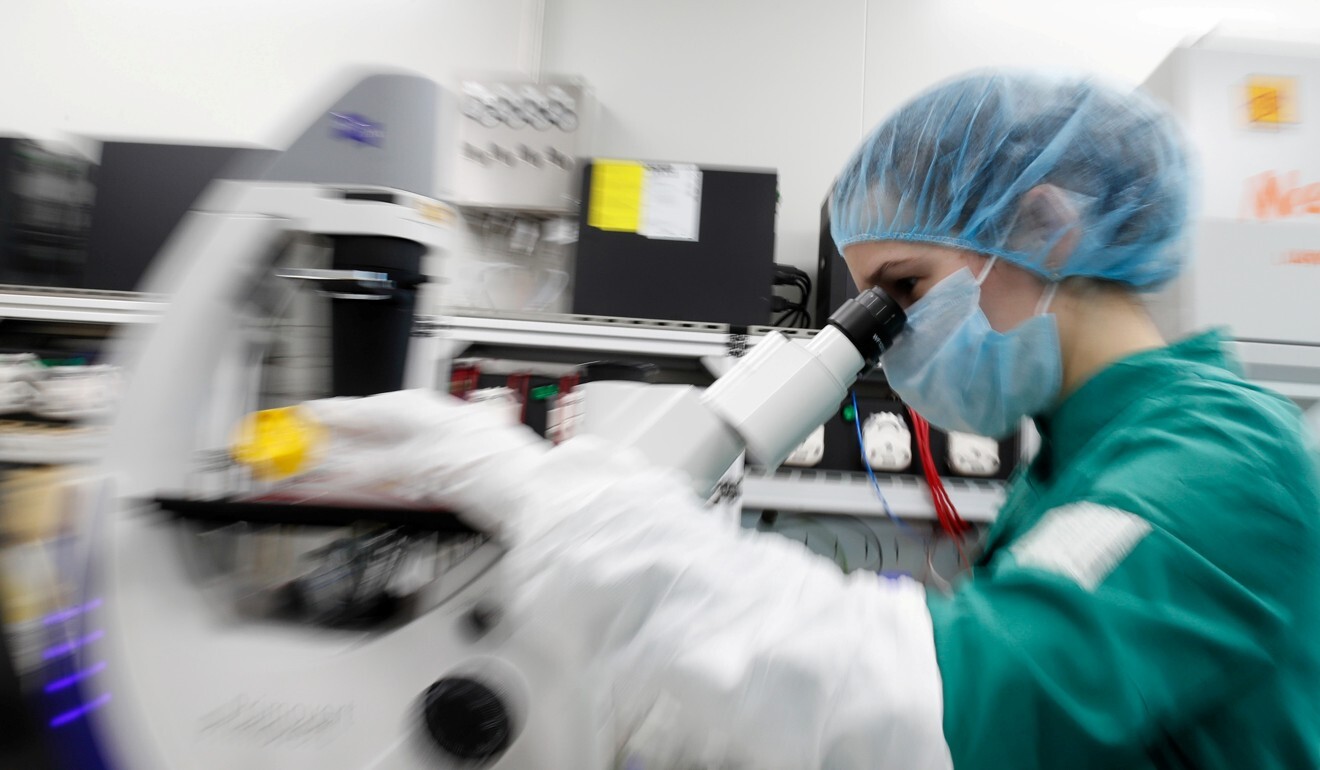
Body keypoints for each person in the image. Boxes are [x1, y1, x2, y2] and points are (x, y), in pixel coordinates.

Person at [298, 71, 1320, 769]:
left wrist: (579, 518)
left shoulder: (1221, 457)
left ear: (1042, 228)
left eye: (904, 287)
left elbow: (953, 699)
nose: (897, 337)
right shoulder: (1080, 458)